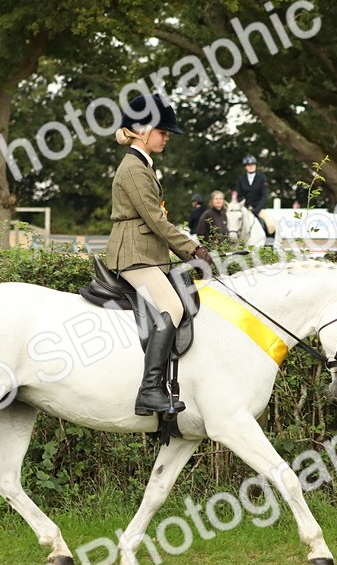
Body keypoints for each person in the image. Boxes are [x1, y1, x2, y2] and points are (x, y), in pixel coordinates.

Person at [106, 93, 209, 416]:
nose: (167, 138)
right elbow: (155, 219)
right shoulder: (134, 169)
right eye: (163, 131)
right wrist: (193, 249)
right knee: (172, 307)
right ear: (141, 130)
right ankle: (150, 390)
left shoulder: (143, 165)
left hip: (148, 254)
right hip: (133, 255)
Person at [234, 154, 269, 239]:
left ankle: (269, 242)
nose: (251, 167)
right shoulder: (241, 179)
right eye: (248, 165)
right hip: (245, 208)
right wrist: (246, 207)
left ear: (255, 165)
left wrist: (257, 209)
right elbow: (239, 196)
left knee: (270, 224)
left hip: (259, 208)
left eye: (253, 164)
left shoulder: (262, 178)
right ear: (245, 167)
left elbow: (264, 195)